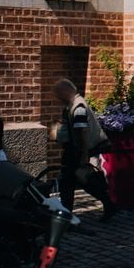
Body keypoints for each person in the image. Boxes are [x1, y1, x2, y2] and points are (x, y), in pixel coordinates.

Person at [53, 79, 116, 220]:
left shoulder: (78, 107)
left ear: (65, 91)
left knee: (76, 181)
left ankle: (67, 215)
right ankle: (108, 204)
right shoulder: (72, 105)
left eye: (58, 94)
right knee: (75, 181)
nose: (57, 98)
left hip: (79, 149)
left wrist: (84, 154)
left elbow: (82, 131)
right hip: (76, 149)